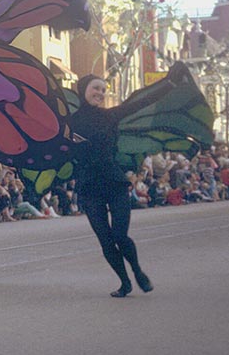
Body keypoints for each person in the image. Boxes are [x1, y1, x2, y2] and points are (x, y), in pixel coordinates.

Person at [71, 71, 186, 297]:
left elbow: (140, 103)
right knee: (105, 241)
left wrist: (170, 83)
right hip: (89, 187)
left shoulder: (110, 116)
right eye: (96, 88)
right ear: (83, 89)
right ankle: (125, 283)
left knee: (120, 236)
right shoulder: (70, 122)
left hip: (114, 183)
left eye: (103, 90)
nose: (100, 93)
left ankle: (137, 271)